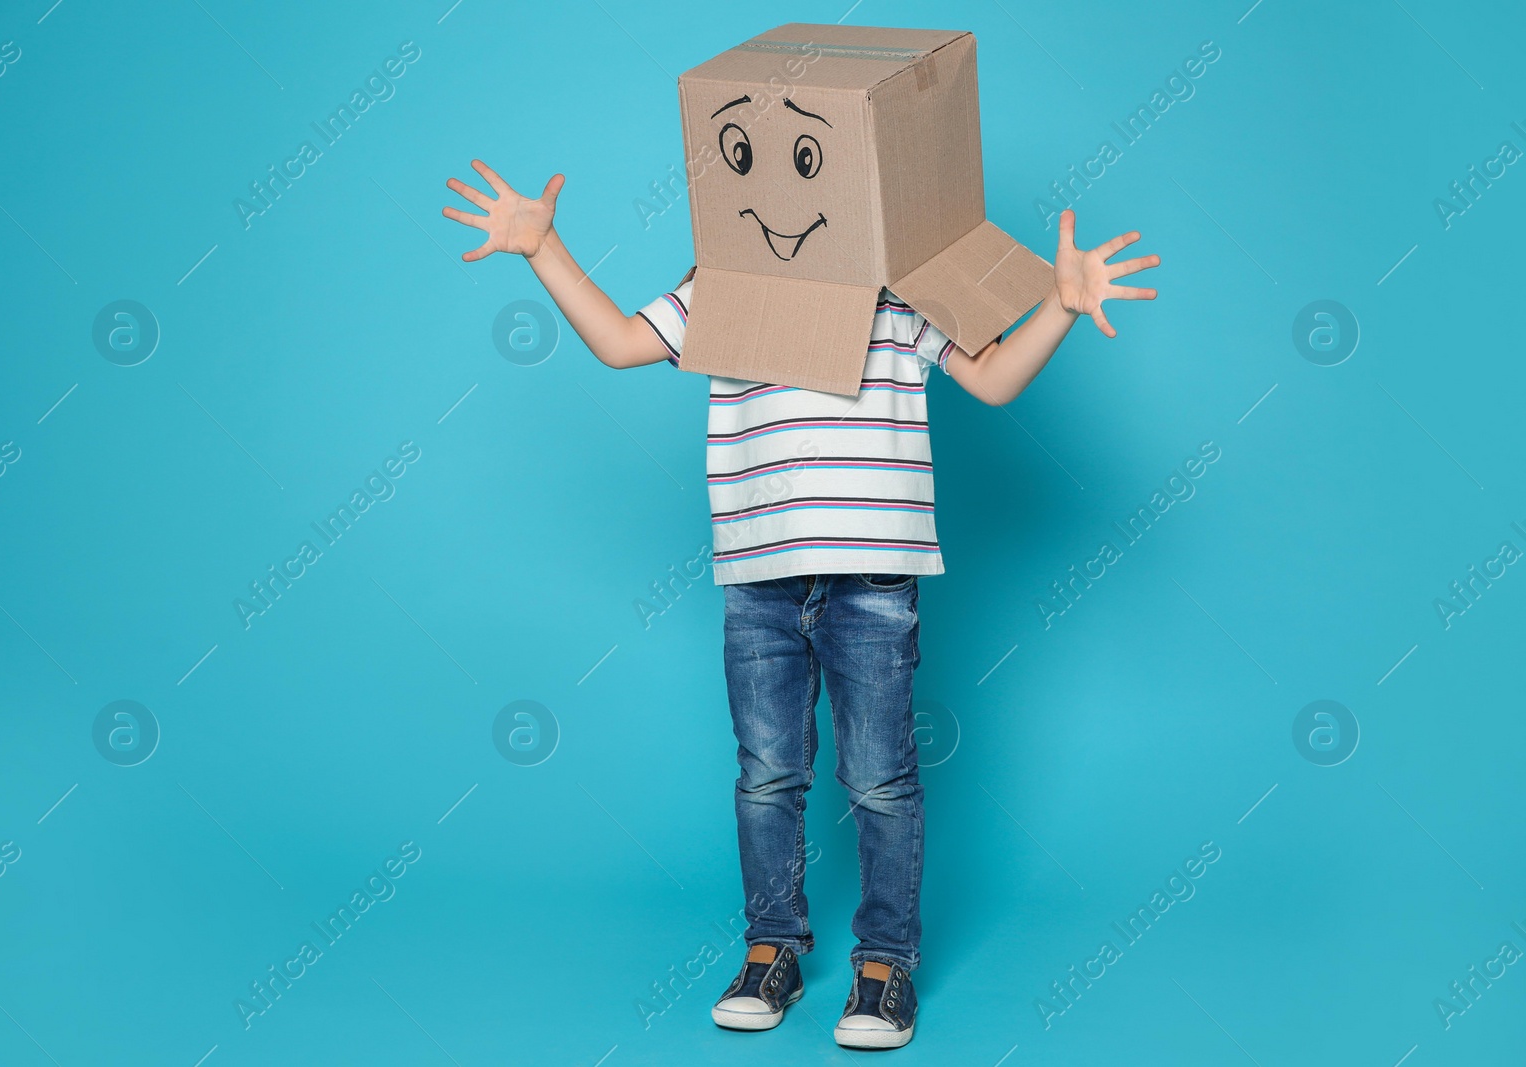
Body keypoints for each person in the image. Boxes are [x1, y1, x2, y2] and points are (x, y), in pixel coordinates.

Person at [443, 159, 1158, 1049]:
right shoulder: (726, 286)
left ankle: (885, 961)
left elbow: (997, 376)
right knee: (768, 774)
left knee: (878, 777)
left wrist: (1059, 301)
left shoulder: (900, 293)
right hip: (762, 578)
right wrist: (543, 246)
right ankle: (771, 946)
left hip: (872, 578)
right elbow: (622, 343)